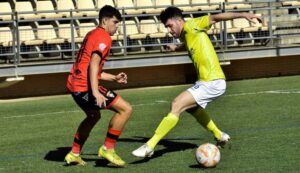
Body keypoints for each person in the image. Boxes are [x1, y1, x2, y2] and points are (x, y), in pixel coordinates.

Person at [132, 7, 261, 157]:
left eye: (169, 25)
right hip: (207, 81)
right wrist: (176, 47)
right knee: (192, 108)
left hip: (212, 81)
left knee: (176, 104)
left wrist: (243, 14)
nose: (169, 30)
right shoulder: (186, 34)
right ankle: (220, 135)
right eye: (166, 27)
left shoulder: (192, 24)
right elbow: (188, 43)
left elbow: (215, 18)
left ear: (179, 20)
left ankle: (150, 146)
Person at [64, 5, 132, 167]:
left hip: (74, 86)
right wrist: (96, 92)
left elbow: (90, 68)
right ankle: (108, 148)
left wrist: (114, 78)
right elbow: (94, 64)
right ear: (104, 20)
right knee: (126, 109)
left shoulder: (92, 34)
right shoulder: (104, 37)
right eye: (115, 22)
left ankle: (74, 153)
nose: (117, 26)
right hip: (84, 87)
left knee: (94, 116)